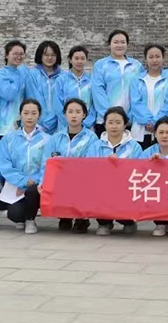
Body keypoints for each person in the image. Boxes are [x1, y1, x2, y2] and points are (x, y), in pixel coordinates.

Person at [43, 98, 98, 233]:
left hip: (82, 178)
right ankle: (65, 216)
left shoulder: (91, 138)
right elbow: (46, 161)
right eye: (70, 112)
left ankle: (82, 218)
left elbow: (92, 162)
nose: (74, 115)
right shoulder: (56, 137)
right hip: (60, 178)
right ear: (65, 114)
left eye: (78, 112)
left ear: (84, 115)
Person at [0, 98, 50, 234]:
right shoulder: (8, 139)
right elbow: (5, 166)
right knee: (15, 214)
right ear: (20, 114)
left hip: (37, 185)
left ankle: (30, 220)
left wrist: (34, 181)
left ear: (39, 115)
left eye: (34, 113)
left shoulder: (47, 139)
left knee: (32, 191)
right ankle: (21, 217)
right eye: (26, 113)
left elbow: (47, 165)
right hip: (15, 185)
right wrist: (23, 181)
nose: (29, 117)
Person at [90, 106, 143, 236]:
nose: (114, 126)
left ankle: (128, 221)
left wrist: (120, 166)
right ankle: (104, 222)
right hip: (102, 187)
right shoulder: (96, 146)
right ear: (105, 125)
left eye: (118, 122)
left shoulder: (134, 147)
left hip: (126, 187)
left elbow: (140, 170)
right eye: (110, 122)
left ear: (125, 124)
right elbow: (89, 168)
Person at [92, 30, 144, 134]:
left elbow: (141, 92)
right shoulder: (100, 65)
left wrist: (129, 117)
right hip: (105, 121)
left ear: (127, 44)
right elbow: (98, 92)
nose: (119, 45)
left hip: (130, 120)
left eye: (123, 42)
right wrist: (109, 116)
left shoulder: (136, 66)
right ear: (109, 44)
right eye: (115, 42)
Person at [129, 44, 168, 149]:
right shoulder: (137, 80)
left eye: (157, 56)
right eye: (151, 57)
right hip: (140, 129)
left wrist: (156, 122)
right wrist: (148, 121)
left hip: (163, 129)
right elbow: (136, 103)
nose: (154, 60)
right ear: (146, 59)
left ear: (163, 58)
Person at [25, 40, 63, 134]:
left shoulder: (63, 76)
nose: (49, 58)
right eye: (46, 55)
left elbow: (62, 101)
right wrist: (44, 120)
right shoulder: (32, 74)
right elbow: (34, 97)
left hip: (59, 123)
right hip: (38, 123)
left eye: (53, 55)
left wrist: (56, 118)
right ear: (40, 56)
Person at [55, 45, 96, 133]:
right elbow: (58, 105)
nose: (79, 61)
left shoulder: (92, 80)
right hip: (66, 126)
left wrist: (87, 122)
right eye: (76, 58)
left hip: (87, 126)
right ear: (70, 60)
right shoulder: (61, 80)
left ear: (86, 60)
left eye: (82, 58)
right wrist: (70, 122)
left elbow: (94, 104)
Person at [0, 40, 27, 138]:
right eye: (15, 54)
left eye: (21, 54)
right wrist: (17, 74)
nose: (18, 57)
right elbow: (9, 95)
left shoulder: (23, 71)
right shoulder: (1, 74)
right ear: (7, 55)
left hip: (19, 122)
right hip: (2, 124)